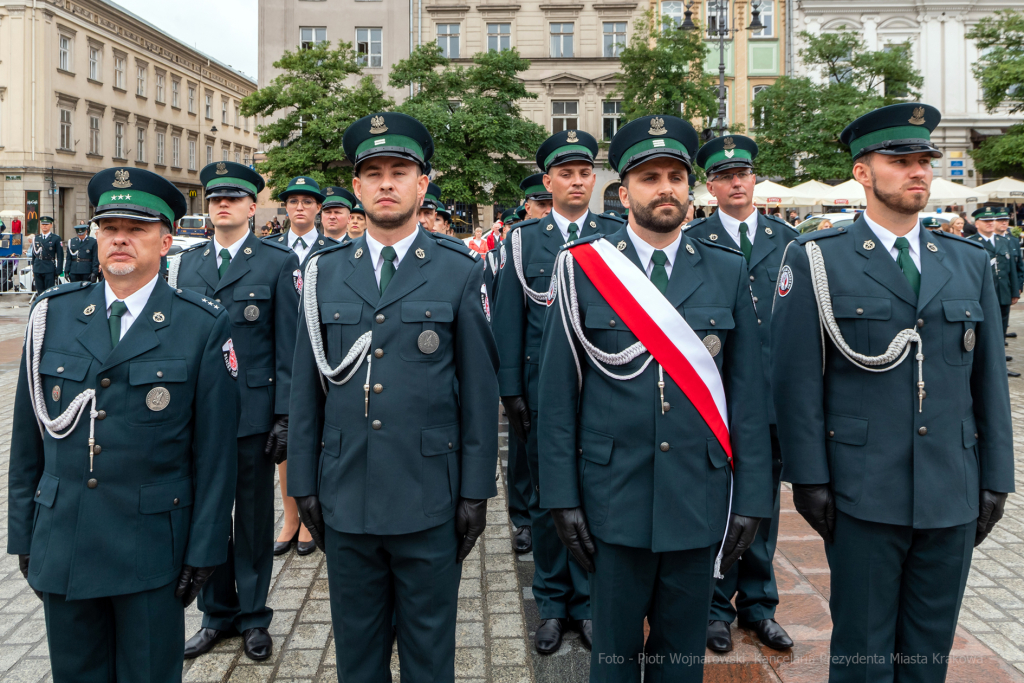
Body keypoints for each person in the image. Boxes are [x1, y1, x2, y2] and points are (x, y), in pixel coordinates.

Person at [774, 103, 1015, 683]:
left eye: (925, 161)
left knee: (929, 652)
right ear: (862, 172)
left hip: (950, 487)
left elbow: (989, 383)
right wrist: (809, 479)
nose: (919, 172)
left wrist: (996, 479)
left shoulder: (967, 262)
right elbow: (796, 379)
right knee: (861, 647)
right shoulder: (818, 259)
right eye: (900, 160)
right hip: (863, 488)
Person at [537, 114, 771, 682]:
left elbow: (748, 395)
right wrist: (561, 498)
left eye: (675, 175)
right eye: (649, 177)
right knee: (613, 656)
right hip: (614, 492)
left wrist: (754, 500)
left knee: (680, 657)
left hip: (698, 492)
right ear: (623, 193)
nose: (664, 187)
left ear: (690, 188)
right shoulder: (582, 268)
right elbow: (557, 394)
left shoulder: (726, 270)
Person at [287, 111, 498, 683]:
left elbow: (480, 393)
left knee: (431, 655)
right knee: (358, 654)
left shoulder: (459, 271)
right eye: (373, 172)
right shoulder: (322, 274)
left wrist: (476, 490)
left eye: (399, 170)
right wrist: (301, 481)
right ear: (355, 188)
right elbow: (306, 389)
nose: (386, 182)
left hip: (428, 495)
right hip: (346, 493)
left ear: (422, 183)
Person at [8, 166, 238, 683]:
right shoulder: (53, 315)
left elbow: (215, 456)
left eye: (136, 228)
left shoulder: (200, 324)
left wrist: (204, 552)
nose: (120, 240)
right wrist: (25, 535)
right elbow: (27, 445)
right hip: (66, 541)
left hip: (152, 547)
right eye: (109, 227)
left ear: (166, 239)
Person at [493, 129, 624, 655]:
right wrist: (511, 392)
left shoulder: (614, 235)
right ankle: (551, 603)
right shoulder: (523, 240)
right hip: (540, 392)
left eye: (584, 172)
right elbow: (509, 320)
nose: (576, 181)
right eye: (565, 174)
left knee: (594, 498)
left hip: (601, 386)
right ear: (547, 181)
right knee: (550, 500)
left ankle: (590, 603)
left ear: (594, 178)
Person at [172, 162, 301, 662]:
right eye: (214, 198)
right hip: (199, 416)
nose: (222, 204)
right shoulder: (187, 264)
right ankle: (215, 614)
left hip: (252, 414)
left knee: (250, 518)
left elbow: (289, 345)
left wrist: (285, 413)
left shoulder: (276, 262)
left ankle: (253, 617)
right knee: (207, 516)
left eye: (233, 197)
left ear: (253, 207)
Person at [685, 133, 797, 654]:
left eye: (743, 173)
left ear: (755, 179)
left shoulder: (787, 240)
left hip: (770, 399)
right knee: (714, 504)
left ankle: (758, 606)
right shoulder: (693, 240)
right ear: (710, 186)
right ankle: (713, 608)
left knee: (763, 507)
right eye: (725, 176)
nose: (736, 182)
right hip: (712, 397)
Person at [265, 176, 336, 556]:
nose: (299, 208)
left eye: (308, 202)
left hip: (325, 355)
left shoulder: (333, 250)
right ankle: (291, 518)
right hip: (284, 357)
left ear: (318, 209)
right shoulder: (271, 250)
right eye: (293, 202)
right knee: (287, 442)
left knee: (323, 435)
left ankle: (315, 517)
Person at [969, 207, 1021, 377]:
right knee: (983, 331)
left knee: (1001, 330)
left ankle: (1000, 368)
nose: (991, 223)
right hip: (982, 295)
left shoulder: (1003, 241)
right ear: (977, 223)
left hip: (1003, 294)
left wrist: (1015, 291)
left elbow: (1011, 269)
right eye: (986, 221)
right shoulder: (971, 242)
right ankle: (981, 366)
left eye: (992, 220)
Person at [31, 216, 64, 293]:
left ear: (51, 225)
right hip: (38, 267)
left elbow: (60, 255)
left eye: (46, 224)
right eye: (43, 224)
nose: (44, 226)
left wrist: (59, 269)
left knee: (49, 291)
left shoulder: (56, 238)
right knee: (40, 291)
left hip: (49, 268)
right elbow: (34, 255)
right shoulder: (36, 238)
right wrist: (33, 267)